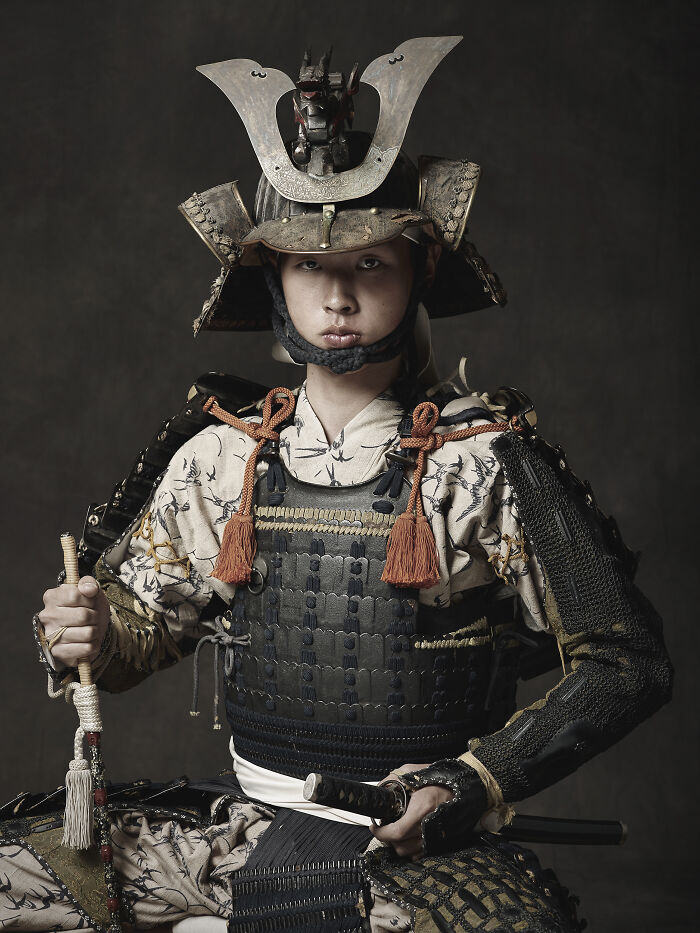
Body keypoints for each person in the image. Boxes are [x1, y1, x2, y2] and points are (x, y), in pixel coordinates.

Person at [1, 37, 672, 933]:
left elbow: (627, 661)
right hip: (240, 825)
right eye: (311, 266)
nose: (340, 294)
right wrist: (85, 628)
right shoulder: (223, 455)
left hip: (411, 840)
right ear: (275, 281)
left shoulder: (482, 462)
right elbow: (142, 633)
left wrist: (472, 782)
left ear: (417, 274)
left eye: (370, 265)